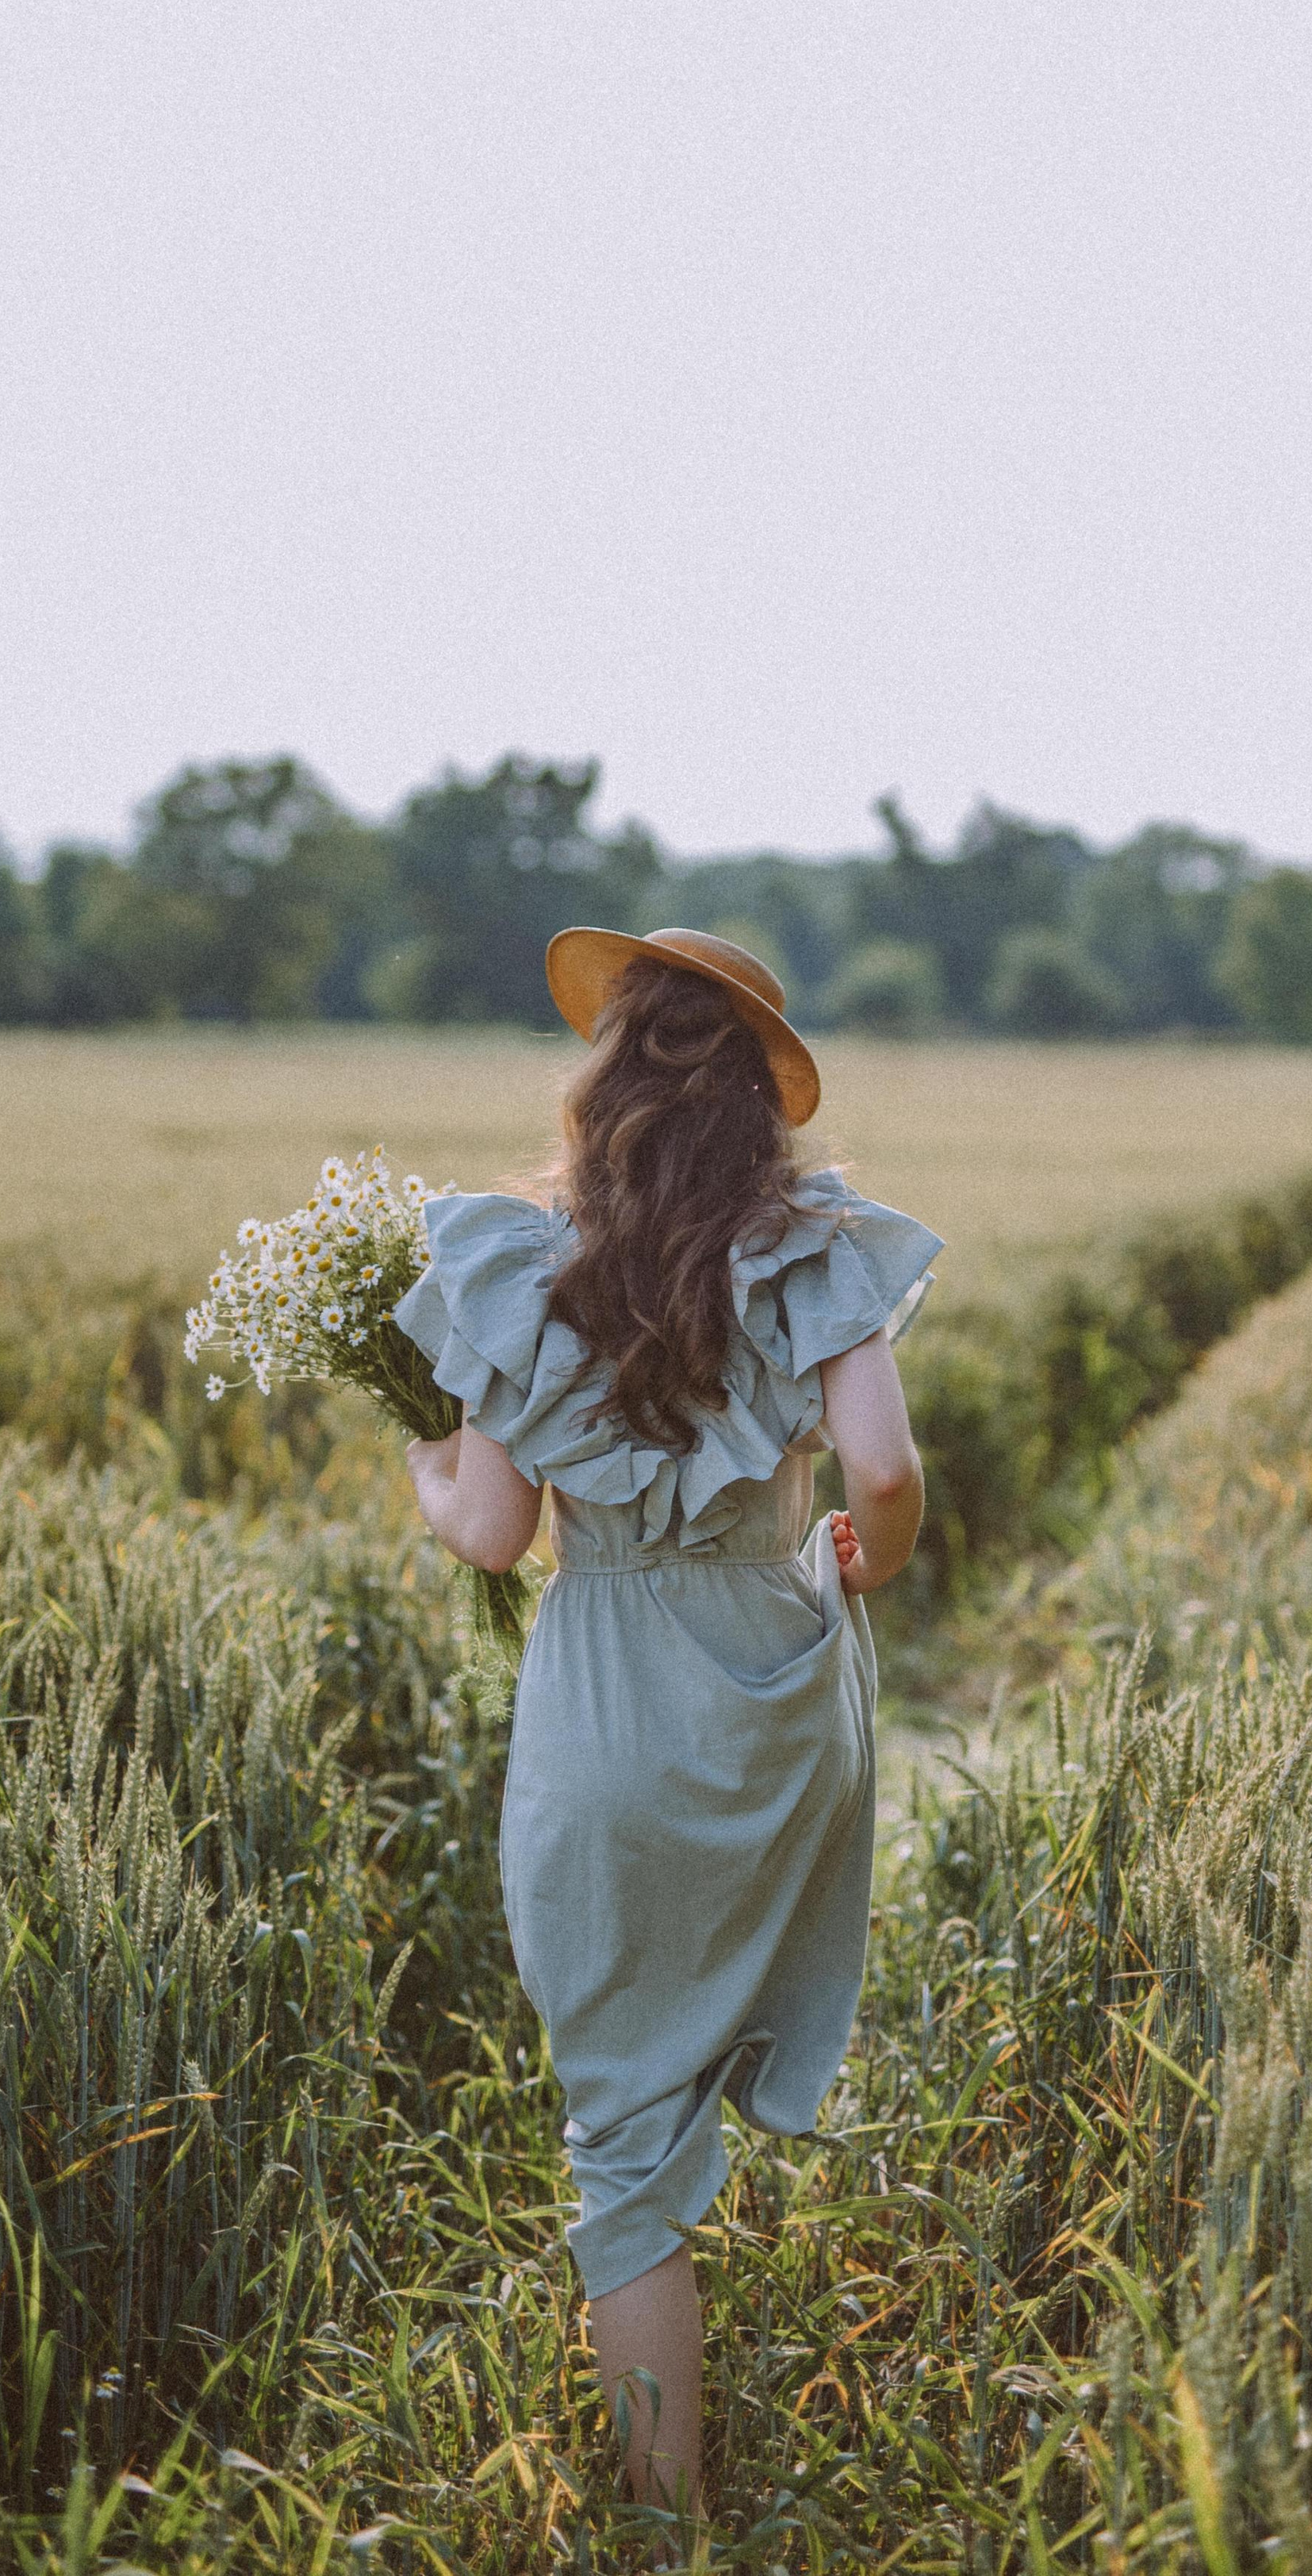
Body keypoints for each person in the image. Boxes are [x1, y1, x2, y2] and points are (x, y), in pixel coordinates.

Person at [397, 925, 940, 2543]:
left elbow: (491, 1534)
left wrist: (428, 1467)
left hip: (613, 1698)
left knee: (619, 2143)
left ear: (606, 1080)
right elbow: (886, 1473)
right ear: (759, 1104)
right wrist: (867, 1562)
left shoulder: (522, 1262)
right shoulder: (815, 1249)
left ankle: (662, 2519)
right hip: (778, 1686)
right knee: (704, 2034)